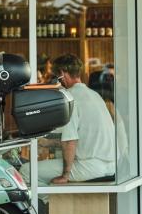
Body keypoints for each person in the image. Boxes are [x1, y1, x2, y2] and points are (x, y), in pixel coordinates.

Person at [29, 54, 115, 186]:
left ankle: (47, 205)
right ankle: (52, 203)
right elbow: (84, 138)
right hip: (110, 166)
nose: (58, 81)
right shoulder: (94, 94)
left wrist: (65, 175)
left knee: (26, 171)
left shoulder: (70, 97)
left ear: (63, 74)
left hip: (90, 167)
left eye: (57, 77)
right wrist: (49, 143)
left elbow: (70, 142)